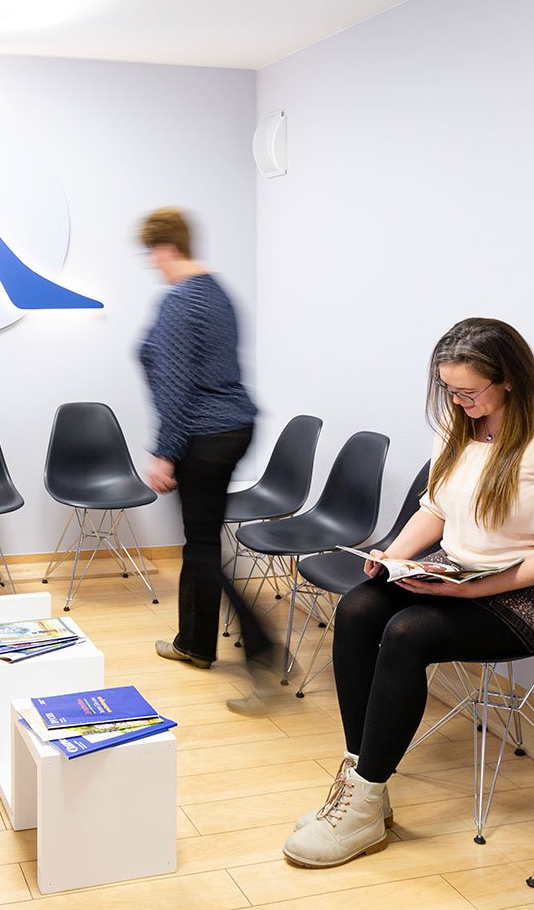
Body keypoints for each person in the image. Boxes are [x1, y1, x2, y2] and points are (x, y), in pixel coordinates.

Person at [283, 317, 534, 868]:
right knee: (358, 607)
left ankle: (363, 801)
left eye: (469, 391)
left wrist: (471, 594)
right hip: (457, 569)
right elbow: (435, 508)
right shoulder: (461, 425)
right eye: (449, 390)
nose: (458, 402)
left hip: (519, 590)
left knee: (407, 632)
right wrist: (392, 555)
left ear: (510, 378)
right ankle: (363, 790)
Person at [137, 207, 276, 703]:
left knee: (201, 548)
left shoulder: (181, 300)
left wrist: (165, 452)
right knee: (201, 544)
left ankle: (262, 651)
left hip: (204, 435)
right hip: (233, 426)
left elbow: (178, 385)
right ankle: (194, 644)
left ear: (166, 248)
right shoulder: (218, 292)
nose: (151, 263)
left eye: (152, 253)